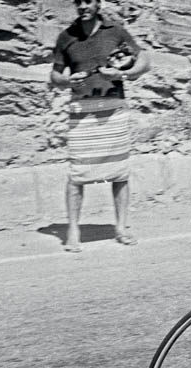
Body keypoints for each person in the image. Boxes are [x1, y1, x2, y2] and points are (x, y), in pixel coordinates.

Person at [50, 0, 150, 251]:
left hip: (113, 108)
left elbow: (145, 60)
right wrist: (67, 80)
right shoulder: (66, 37)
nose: (83, 6)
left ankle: (120, 227)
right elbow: (54, 75)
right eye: (79, 2)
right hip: (81, 111)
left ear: (98, 3)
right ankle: (73, 231)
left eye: (88, 1)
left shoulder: (115, 31)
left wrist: (122, 75)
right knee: (77, 173)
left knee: (120, 172)